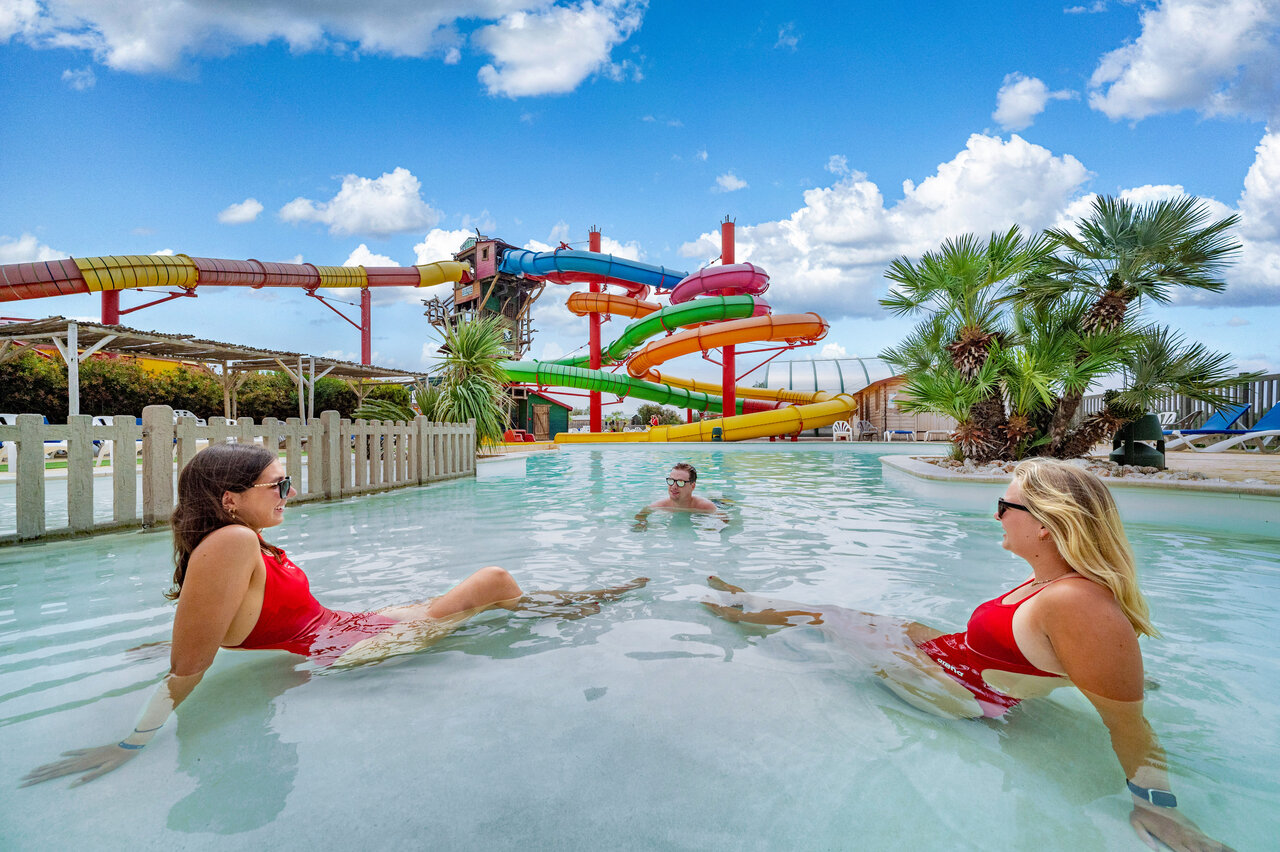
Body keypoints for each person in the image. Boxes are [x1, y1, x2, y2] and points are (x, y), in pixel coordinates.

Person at [23, 442, 646, 788]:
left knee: (488, 595)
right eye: (279, 486)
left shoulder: (234, 541)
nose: (289, 494)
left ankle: (574, 604)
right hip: (339, 652)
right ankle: (582, 610)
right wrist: (131, 743)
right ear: (231, 499)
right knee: (495, 581)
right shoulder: (234, 543)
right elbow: (189, 667)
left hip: (342, 627)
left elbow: (221, 622)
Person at [703, 458, 1233, 851]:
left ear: (1045, 523)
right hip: (955, 658)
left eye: (1006, 506)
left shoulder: (1077, 602)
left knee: (832, 620)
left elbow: (1128, 724)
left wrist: (1158, 811)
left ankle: (737, 611)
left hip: (957, 691)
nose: (997, 514)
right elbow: (1044, 655)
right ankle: (747, 603)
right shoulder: (1052, 582)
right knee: (854, 616)